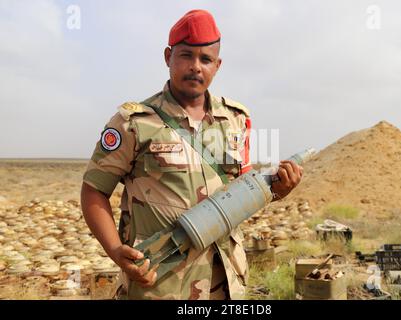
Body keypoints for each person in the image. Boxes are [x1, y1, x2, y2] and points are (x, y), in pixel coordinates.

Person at [81, 9, 303, 300]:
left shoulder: (236, 120)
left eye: (206, 59)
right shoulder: (134, 123)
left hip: (225, 281)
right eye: (186, 56)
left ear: (217, 65)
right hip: (160, 283)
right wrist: (114, 250)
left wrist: (277, 191)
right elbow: (94, 190)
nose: (196, 67)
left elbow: (243, 191)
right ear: (168, 57)